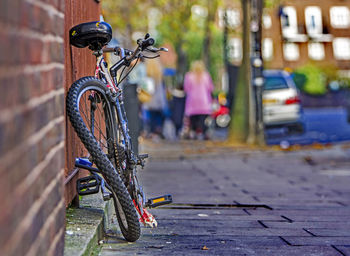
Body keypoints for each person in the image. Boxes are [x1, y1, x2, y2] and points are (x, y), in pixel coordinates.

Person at [184, 60, 214, 140]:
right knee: (203, 120)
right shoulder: (206, 76)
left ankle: (194, 132)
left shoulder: (189, 76)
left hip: (192, 102)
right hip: (204, 102)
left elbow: (186, 89)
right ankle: (203, 132)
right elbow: (210, 88)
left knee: (193, 120)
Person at [142, 58, 168, 138]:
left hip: (150, 102)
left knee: (151, 119)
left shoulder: (148, 75)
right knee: (159, 118)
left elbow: (148, 90)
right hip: (159, 101)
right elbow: (162, 90)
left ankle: (153, 132)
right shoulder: (159, 75)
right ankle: (158, 130)